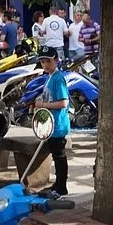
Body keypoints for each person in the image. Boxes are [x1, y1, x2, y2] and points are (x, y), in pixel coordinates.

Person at [34, 49, 70, 199]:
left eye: (48, 61)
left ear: (56, 59)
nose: (45, 64)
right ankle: (58, 184)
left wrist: (43, 105)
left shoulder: (58, 78)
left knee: (60, 156)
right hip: (50, 125)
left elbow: (63, 102)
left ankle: (61, 187)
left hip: (58, 125)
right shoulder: (50, 77)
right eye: (42, 61)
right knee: (56, 156)